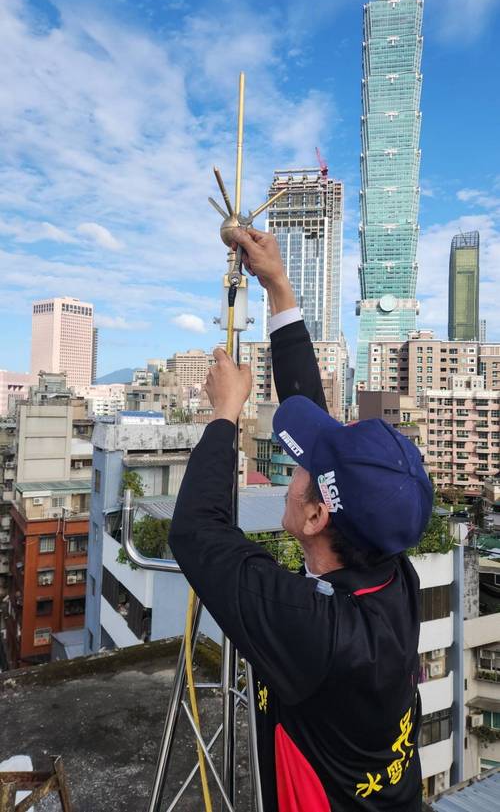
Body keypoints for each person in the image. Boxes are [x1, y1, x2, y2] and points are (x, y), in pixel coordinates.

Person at [169, 227, 433, 812]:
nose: (293, 468)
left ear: (316, 515)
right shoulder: (388, 570)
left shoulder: (315, 632)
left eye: (301, 470)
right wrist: (278, 288)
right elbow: (308, 414)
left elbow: (197, 533)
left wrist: (224, 417)